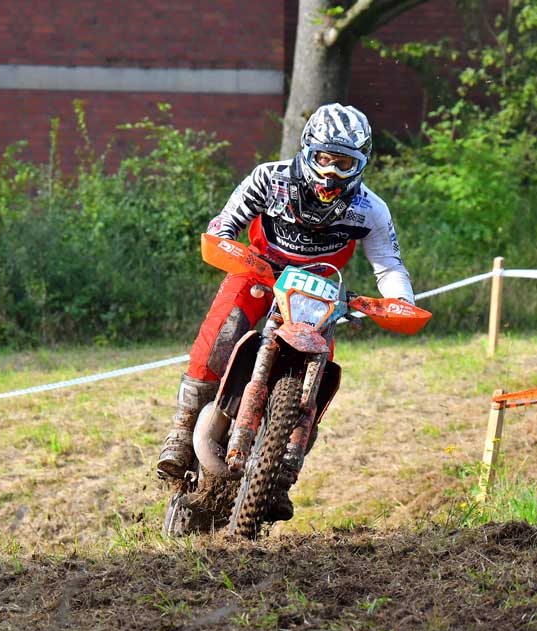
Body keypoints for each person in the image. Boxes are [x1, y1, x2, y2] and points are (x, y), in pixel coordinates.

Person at [155, 103, 416, 522]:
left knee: (321, 364)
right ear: (306, 150)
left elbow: (388, 264)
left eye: (344, 164)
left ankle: (283, 471)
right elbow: (227, 220)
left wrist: (401, 300)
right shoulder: (269, 178)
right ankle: (183, 431)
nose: (331, 173)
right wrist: (222, 240)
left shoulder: (370, 208)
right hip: (258, 268)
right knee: (220, 332)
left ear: (361, 164)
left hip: (318, 286)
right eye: (324, 159)